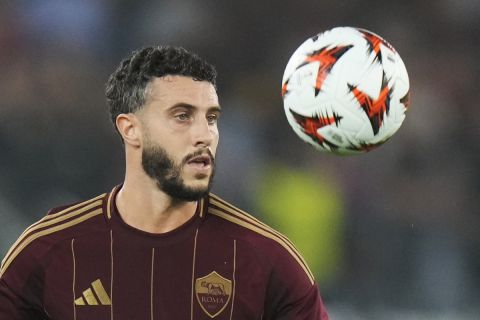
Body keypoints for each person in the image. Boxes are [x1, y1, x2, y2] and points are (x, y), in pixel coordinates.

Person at [0, 46, 329, 319]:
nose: (204, 135)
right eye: (182, 116)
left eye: (211, 118)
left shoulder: (267, 259)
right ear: (131, 129)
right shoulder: (48, 251)